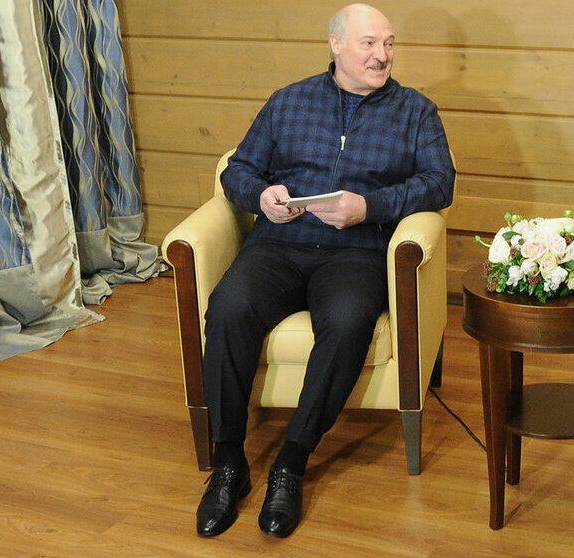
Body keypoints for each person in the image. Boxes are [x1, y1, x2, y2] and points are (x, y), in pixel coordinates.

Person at [193, 3, 454, 538]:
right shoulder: (288, 101)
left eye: (388, 44)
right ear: (336, 45)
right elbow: (238, 170)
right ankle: (228, 461)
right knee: (228, 308)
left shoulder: (416, 111)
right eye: (368, 43)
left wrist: (369, 207)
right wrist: (261, 196)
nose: (382, 55)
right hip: (279, 244)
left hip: (356, 252)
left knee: (349, 321)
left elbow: (439, 182)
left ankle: (291, 461)